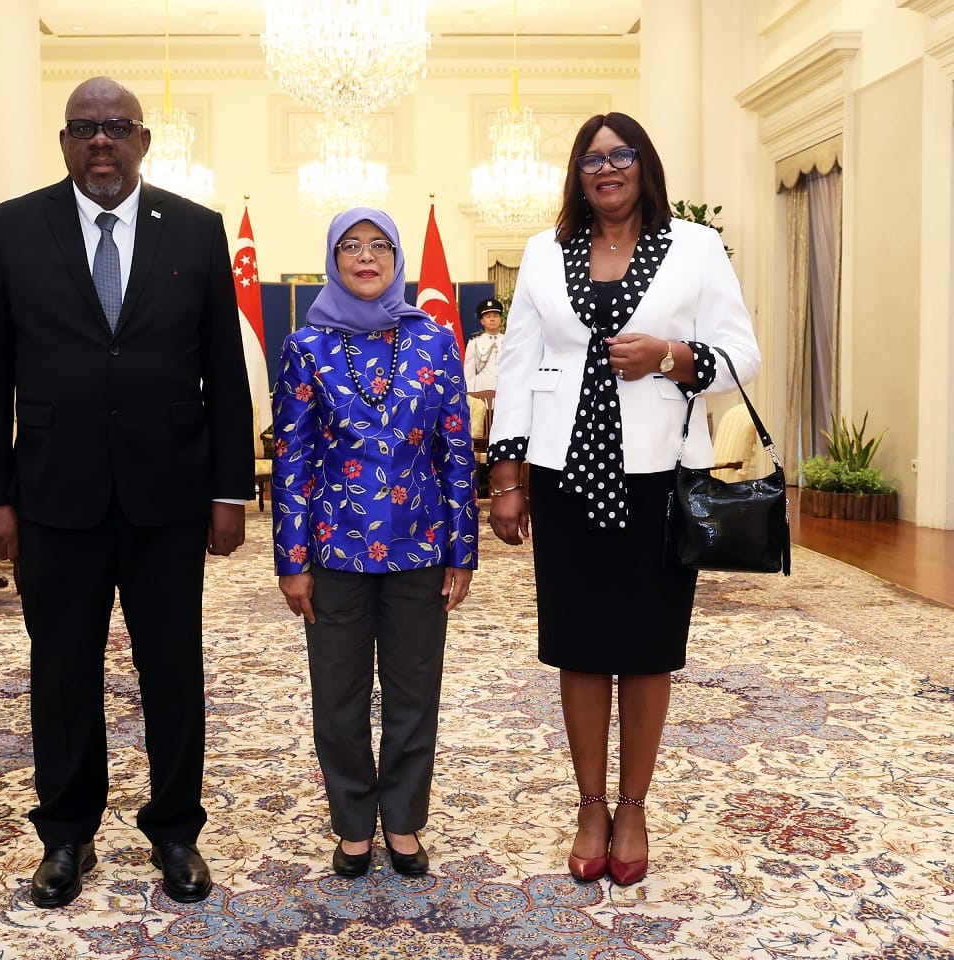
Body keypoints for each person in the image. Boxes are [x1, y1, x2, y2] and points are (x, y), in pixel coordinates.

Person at [0, 76, 252, 908]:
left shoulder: (195, 229)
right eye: (85, 127)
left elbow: (224, 371)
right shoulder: (12, 228)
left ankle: (176, 832)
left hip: (170, 494)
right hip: (55, 494)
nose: (101, 140)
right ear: (64, 141)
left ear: (143, 141)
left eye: (117, 127)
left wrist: (229, 490)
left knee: (173, 670)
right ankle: (66, 834)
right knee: (61, 672)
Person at [486, 112, 759, 886]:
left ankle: (633, 807)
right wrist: (506, 478)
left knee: (647, 646)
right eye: (592, 159)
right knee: (577, 644)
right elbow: (518, 364)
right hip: (564, 472)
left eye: (621, 155)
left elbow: (743, 355)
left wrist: (672, 355)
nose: (607, 169)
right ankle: (589, 807)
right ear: (578, 175)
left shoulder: (694, 247)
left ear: (645, 166)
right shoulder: (545, 252)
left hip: (659, 474)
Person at [272, 207, 478, 878]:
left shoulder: (435, 341)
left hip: (420, 547)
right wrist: (291, 560)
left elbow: (455, 450)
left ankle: (405, 820)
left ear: (397, 260)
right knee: (338, 695)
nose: (366, 257)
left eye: (380, 245)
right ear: (333, 260)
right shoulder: (306, 347)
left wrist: (463, 550)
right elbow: (292, 458)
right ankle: (354, 825)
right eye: (352, 246)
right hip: (335, 552)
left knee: (415, 692)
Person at [463, 297, 505, 393]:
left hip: (506, 392)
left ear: (500, 320)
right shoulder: (474, 344)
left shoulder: (509, 342)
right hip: (482, 393)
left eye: (495, 316)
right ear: (482, 321)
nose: (492, 319)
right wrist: (471, 396)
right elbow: (469, 375)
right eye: (488, 316)